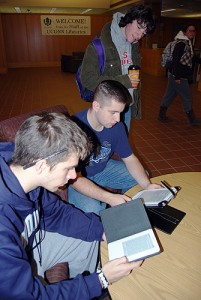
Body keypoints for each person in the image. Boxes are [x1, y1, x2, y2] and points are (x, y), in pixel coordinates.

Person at [0, 112, 142, 299]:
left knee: (89, 239)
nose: (74, 176)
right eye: (68, 168)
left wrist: (103, 230)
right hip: (13, 271)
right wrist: (101, 280)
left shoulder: (23, 168)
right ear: (41, 165)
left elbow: (57, 214)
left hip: (29, 241)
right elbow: (31, 296)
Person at [68, 80, 161, 215]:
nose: (118, 119)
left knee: (143, 178)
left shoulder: (116, 126)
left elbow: (130, 159)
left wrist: (147, 185)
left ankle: (124, 213)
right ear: (96, 106)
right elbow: (74, 178)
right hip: (76, 179)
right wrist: (110, 198)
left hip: (102, 170)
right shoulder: (73, 129)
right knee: (93, 210)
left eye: (120, 112)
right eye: (113, 112)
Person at [79, 4, 155, 131]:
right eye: (139, 27)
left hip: (126, 107)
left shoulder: (134, 46)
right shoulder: (99, 46)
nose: (139, 35)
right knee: (105, 148)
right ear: (129, 19)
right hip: (106, 110)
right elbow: (87, 79)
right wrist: (125, 80)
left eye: (144, 33)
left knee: (121, 145)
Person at [158, 24, 201, 125]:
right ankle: (192, 120)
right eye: (190, 31)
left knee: (169, 95)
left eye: (193, 31)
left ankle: (161, 115)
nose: (192, 33)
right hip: (179, 76)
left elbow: (192, 58)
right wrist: (177, 77)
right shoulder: (181, 43)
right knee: (187, 97)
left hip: (174, 75)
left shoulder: (187, 43)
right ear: (185, 32)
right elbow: (176, 61)